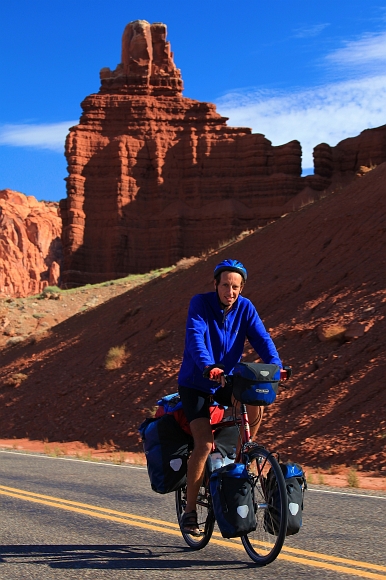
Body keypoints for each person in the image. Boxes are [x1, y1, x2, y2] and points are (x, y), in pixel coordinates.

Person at [178, 259, 282, 536]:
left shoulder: (245, 307)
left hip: (227, 377)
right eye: (226, 285)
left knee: (256, 401)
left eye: (236, 287)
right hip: (197, 380)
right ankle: (190, 512)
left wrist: (275, 366)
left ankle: (241, 457)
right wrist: (207, 365)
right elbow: (195, 337)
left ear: (241, 288)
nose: (230, 291)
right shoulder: (200, 303)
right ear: (216, 284)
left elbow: (262, 339)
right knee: (204, 444)